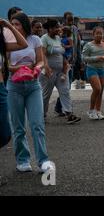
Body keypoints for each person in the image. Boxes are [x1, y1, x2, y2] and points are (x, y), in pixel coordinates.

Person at [7, 12, 55, 173]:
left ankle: (43, 160)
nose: (14, 27)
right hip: (14, 86)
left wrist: (37, 68)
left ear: (24, 25)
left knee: (37, 124)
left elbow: (40, 60)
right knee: (18, 126)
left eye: (17, 24)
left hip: (33, 84)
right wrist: (21, 68)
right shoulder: (7, 42)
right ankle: (23, 159)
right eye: (12, 24)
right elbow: (6, 66)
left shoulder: (35, 40)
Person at [0, 16, 28, 176]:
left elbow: (23, 44)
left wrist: (8, 25)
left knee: (4, 134)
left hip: (1, 89)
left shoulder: (2, 47)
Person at [40, 19, 81, 124]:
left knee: (65, 91)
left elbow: (61, 54)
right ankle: (42, 115)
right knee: (46, 94)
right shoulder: (44, 39)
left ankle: (69, 114)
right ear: (50, 29)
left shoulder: (58, 38)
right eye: (56, 27)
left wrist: (65, 65)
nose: (59, 29)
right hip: (49, 72)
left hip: (61, 70)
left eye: (59, 27)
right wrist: (46, 67)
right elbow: (42, 54)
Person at [82, 26, 104, 120]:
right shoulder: (88, 45)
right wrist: (98, 58)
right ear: (93, 34)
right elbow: (84, 58)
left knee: (101, 91)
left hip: (102, 69)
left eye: (101, 33)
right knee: (97, 89)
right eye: (97, 33)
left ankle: (98, 111)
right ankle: (91, 110)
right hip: (92, 69)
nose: (99, 35)